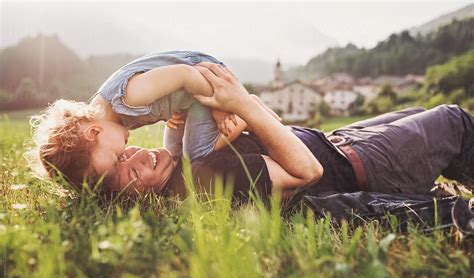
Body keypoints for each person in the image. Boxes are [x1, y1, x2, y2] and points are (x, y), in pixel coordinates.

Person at [101, 63, 473, 202]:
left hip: (340, 141)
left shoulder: (186, 157)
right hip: (361, 165)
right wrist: (245, 107)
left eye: (126, 155)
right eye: (133, 173)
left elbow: (272, 120)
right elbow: (307, 171)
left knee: (420, 113)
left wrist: (246, 115)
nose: (138, 156)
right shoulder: (199, 179)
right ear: (142, 197)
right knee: (454, 121)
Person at [28, 51, 279, 189]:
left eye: (117, 156)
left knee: (197, 155)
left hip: (207, 77)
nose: (125, 153)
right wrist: (175, 108)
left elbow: (184, 73)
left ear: (94, 133)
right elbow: (168, 90)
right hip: (192, 96)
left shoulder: (128, 97)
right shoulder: (111, 118)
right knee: (173, 149)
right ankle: (247, 111)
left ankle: (249, 112)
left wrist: (223, 105)